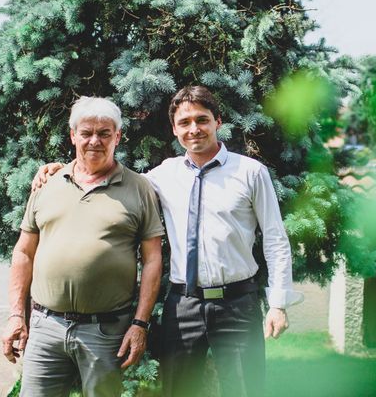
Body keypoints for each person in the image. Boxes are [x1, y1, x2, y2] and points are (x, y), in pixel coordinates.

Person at [33, 86, 302, 397]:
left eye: (202, 120)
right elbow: (113, 177)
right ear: (175, 129)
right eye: (184, 123)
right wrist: (62, 170)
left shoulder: (250, 173)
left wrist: (279, 303)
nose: (194, 129)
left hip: (237, 304)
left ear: (218, 121)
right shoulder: (164, 174)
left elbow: (275, 238)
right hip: (183, 305)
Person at [3, 96, 164, 397]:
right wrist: (16, 315)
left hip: (105, 331)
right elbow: (23, 252)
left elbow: (153, 260)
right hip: (45, 326)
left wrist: (140, 324)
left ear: (117, 136)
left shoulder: (139, 188)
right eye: (86, 132)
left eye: (104, 133)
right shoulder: (47, 184)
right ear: (72, 135)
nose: (94, 141)